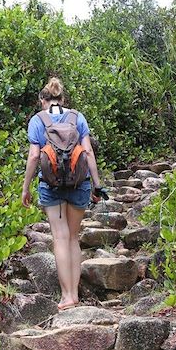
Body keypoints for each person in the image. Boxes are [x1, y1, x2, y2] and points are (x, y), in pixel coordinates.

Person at [22, 77, 103, 310]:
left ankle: (66, 295)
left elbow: (34, 156)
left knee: (60, 237)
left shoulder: (38, 120)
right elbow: (87, 152)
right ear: (63, 99)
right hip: (80, 184)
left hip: (50, 184)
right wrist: (97, 185)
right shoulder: (77, 117)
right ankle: (74, 293)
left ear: (42, 100)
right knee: (73, 238)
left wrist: (26, 188)